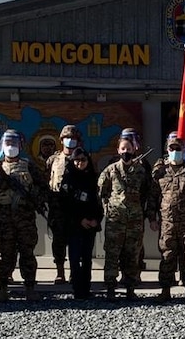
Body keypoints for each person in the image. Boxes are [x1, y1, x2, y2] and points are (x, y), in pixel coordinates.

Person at [0, 129, 47, 302]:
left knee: (27, 253)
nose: (11, 147)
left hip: (24, 217)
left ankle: (30, 287)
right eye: (8, 144)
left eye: (14, 144)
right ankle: (2, 287)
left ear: (20, 146)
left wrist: (33, 196)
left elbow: (44, 188)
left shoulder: (28, 166)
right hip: (2, 218)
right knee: (4, 253)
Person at [150, 133, 185, 303]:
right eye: (171, 148)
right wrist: (151, 218)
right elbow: (153, 197)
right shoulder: (160, 173)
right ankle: (165, 290)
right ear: (167, 150)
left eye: (178, 148)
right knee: (167, 256)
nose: (175, 151)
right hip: (167, 223)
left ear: (184, 149)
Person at [98, 134, 152, 300]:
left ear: (134, 150)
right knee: (112, 255)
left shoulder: (141, 171)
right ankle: (111, 289)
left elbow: (147, 193)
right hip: (115, 221)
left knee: (132, 255)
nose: (126, 152)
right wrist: (108, 208)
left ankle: (130, 289)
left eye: (129, 149)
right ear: (118, 150)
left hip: (134, 221)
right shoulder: (110, 170)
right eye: (123, 149)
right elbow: (102, 192)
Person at [55, 147, 103, 300]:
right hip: (74, 225)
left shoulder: (93, 178)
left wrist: (96, 219)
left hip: (91, 224)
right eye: (76, 160)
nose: (80, 163)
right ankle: (77, 289)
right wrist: (79, 220)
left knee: (87, 258)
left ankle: (86, 288)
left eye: (83, 160)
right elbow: (64, 204)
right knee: (75, 258)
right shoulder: (68, 179)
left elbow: (100, 202)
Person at [46, 124, 90, 284]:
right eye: (67, 138)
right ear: (61, 140)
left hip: (77, 208)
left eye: (73, 138)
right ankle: (60, 273)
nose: (70, 141)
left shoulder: (83, 158)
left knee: (76, 241)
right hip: (58, 208)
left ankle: (74, 272)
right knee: (58, 241)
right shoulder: (53, 159)